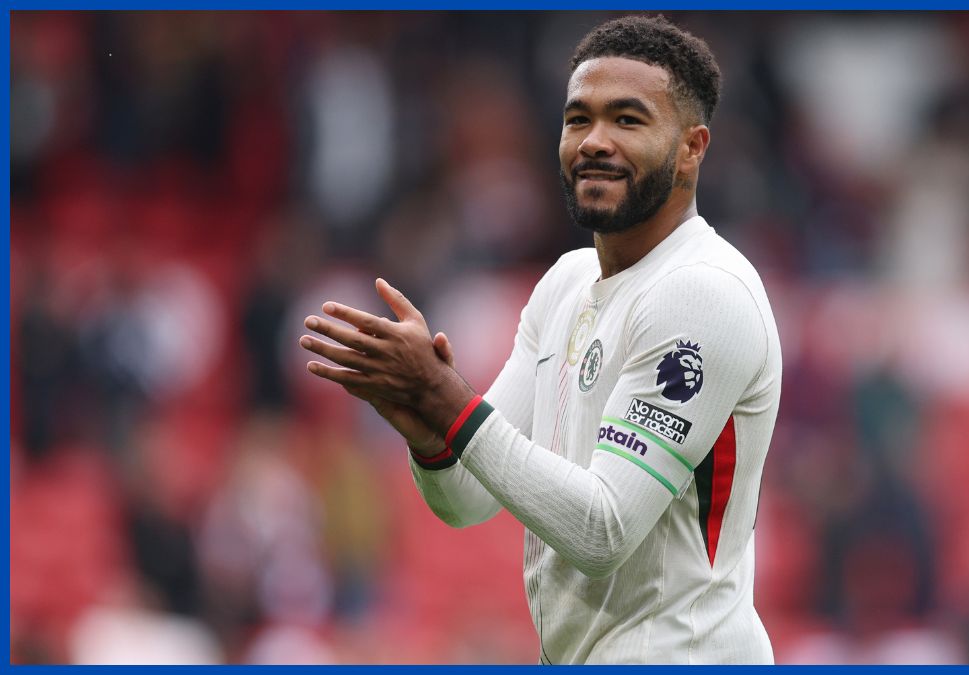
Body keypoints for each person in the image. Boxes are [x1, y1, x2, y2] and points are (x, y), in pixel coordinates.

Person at [299, 15, 781, 664]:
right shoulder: (567, 282)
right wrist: (422, 423)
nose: (595, 141)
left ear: (692, 147)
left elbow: (603, 528)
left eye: (628, 120)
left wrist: (448, 402)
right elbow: (466, 498)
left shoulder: (704, 292)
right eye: (579, 118)